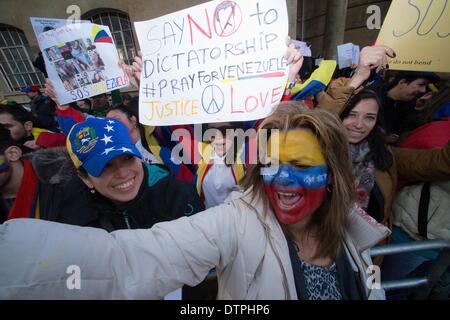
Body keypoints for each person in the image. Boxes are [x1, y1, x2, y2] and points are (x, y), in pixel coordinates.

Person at [0, 103, 389, 299]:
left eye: (301, 164)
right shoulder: (236, 222)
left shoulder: (355, 234)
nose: (283, 177)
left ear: (334, 171)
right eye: (271, 163)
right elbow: (124, 259)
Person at [338, 89, 450, 228]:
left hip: (363, 240)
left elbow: (440, 163)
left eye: (369, 117)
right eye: (351, 115)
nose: (359, 124)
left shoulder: (384, 153)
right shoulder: (318, 152)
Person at [0, 102, 66, 152]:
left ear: (28, 126)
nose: (1, 131)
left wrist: (45, 142)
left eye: (7, 126)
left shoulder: (47, 140)